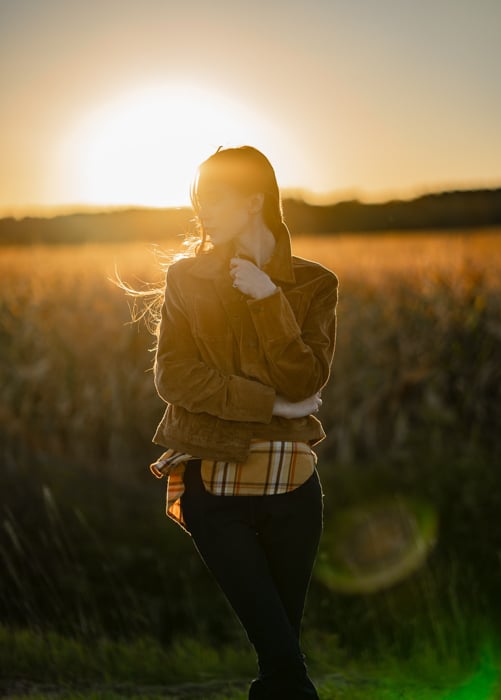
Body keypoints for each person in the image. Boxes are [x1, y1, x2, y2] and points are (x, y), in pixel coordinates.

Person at [149, 145, 338, 699]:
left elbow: (305, 380)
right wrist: (270, 407)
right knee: (282, 655)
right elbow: (173, 377)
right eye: (197, 198)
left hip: (293, 486)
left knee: (279, 658)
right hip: (214, 481)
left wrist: (268, 298)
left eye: (214, 197)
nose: (201, 209)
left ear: (254, 200)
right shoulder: (186, 279)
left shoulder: (314, 284)